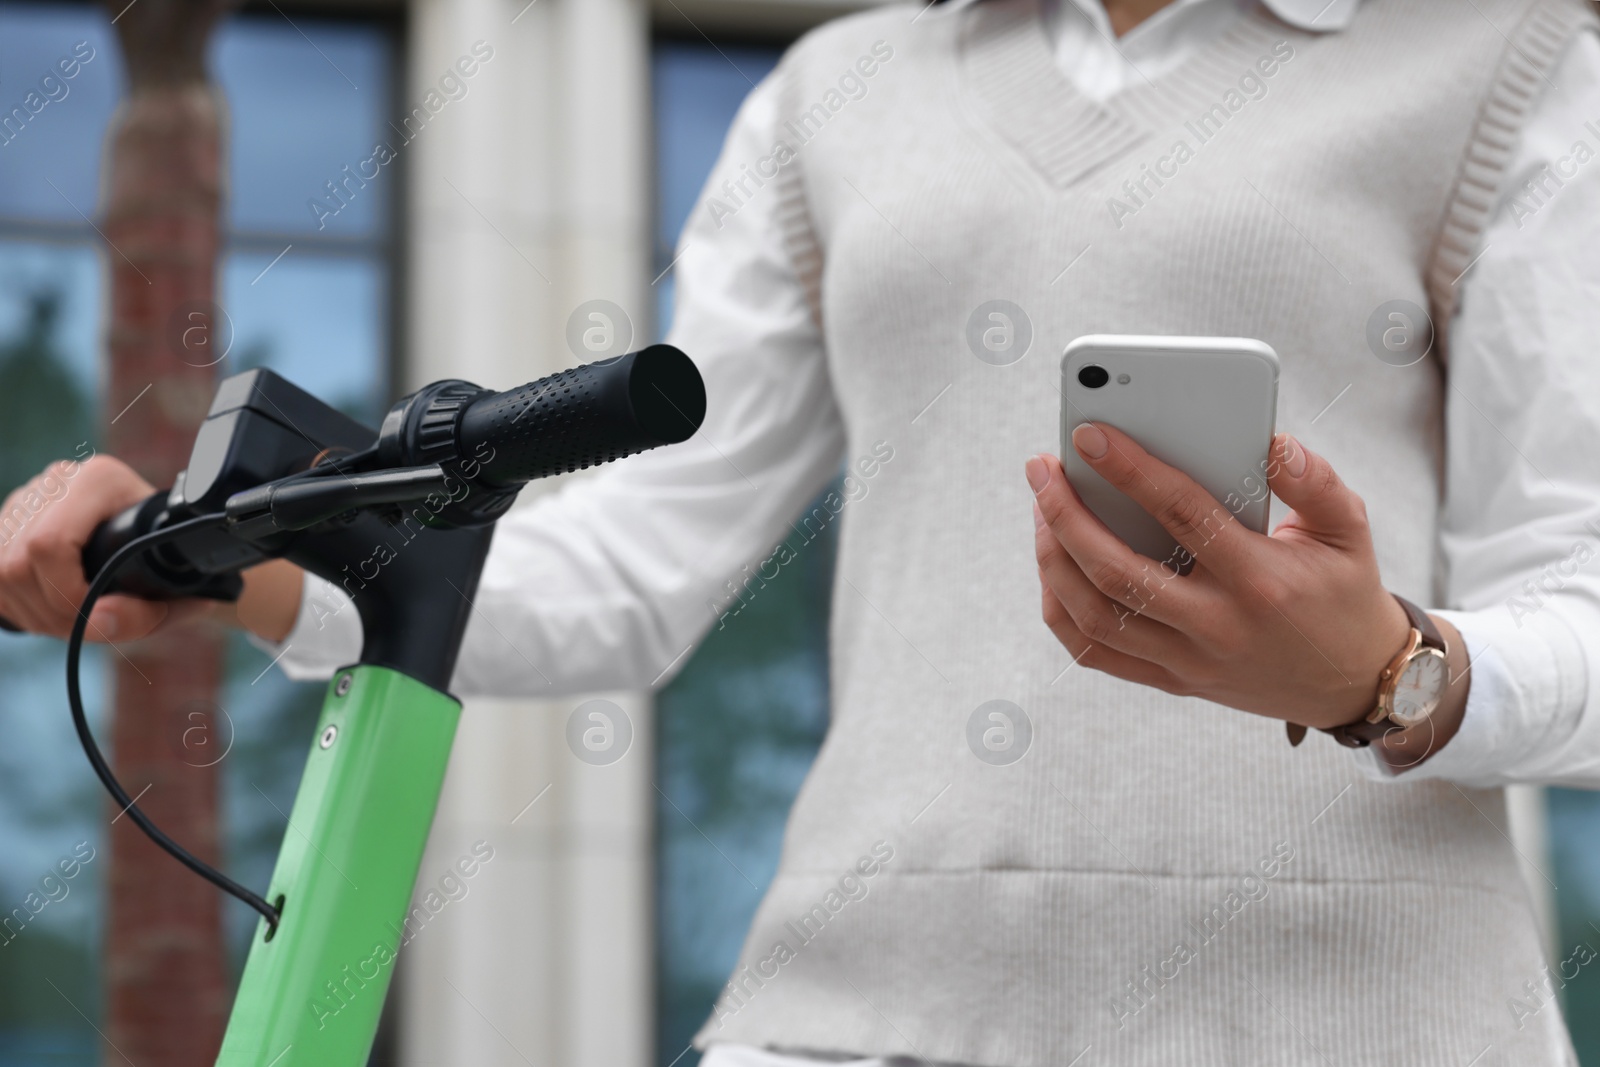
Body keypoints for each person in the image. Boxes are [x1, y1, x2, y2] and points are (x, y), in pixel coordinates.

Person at [5, 0, 1600, 1062]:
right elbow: (633, 569)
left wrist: (1390, 674)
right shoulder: (838, 92)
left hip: (1368, 1024)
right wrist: (247, 561)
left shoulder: (1504, 57)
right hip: (853, 1020)